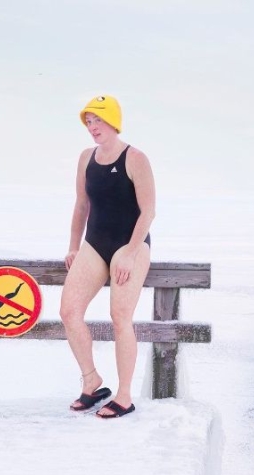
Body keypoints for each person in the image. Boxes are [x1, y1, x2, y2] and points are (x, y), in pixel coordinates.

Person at [60, 95, 156, 419]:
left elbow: (148, 211)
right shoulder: (86, 158)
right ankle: (92, 382)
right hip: (95, 243)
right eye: (88, 122)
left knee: (120, 318)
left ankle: (124, 396)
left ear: (113, 120)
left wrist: (130, 252)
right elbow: (81, 206)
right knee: (69, 311)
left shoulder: (135, 158)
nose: (92, 127)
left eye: (98, 120)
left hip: (132, 244)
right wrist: (74, 246)